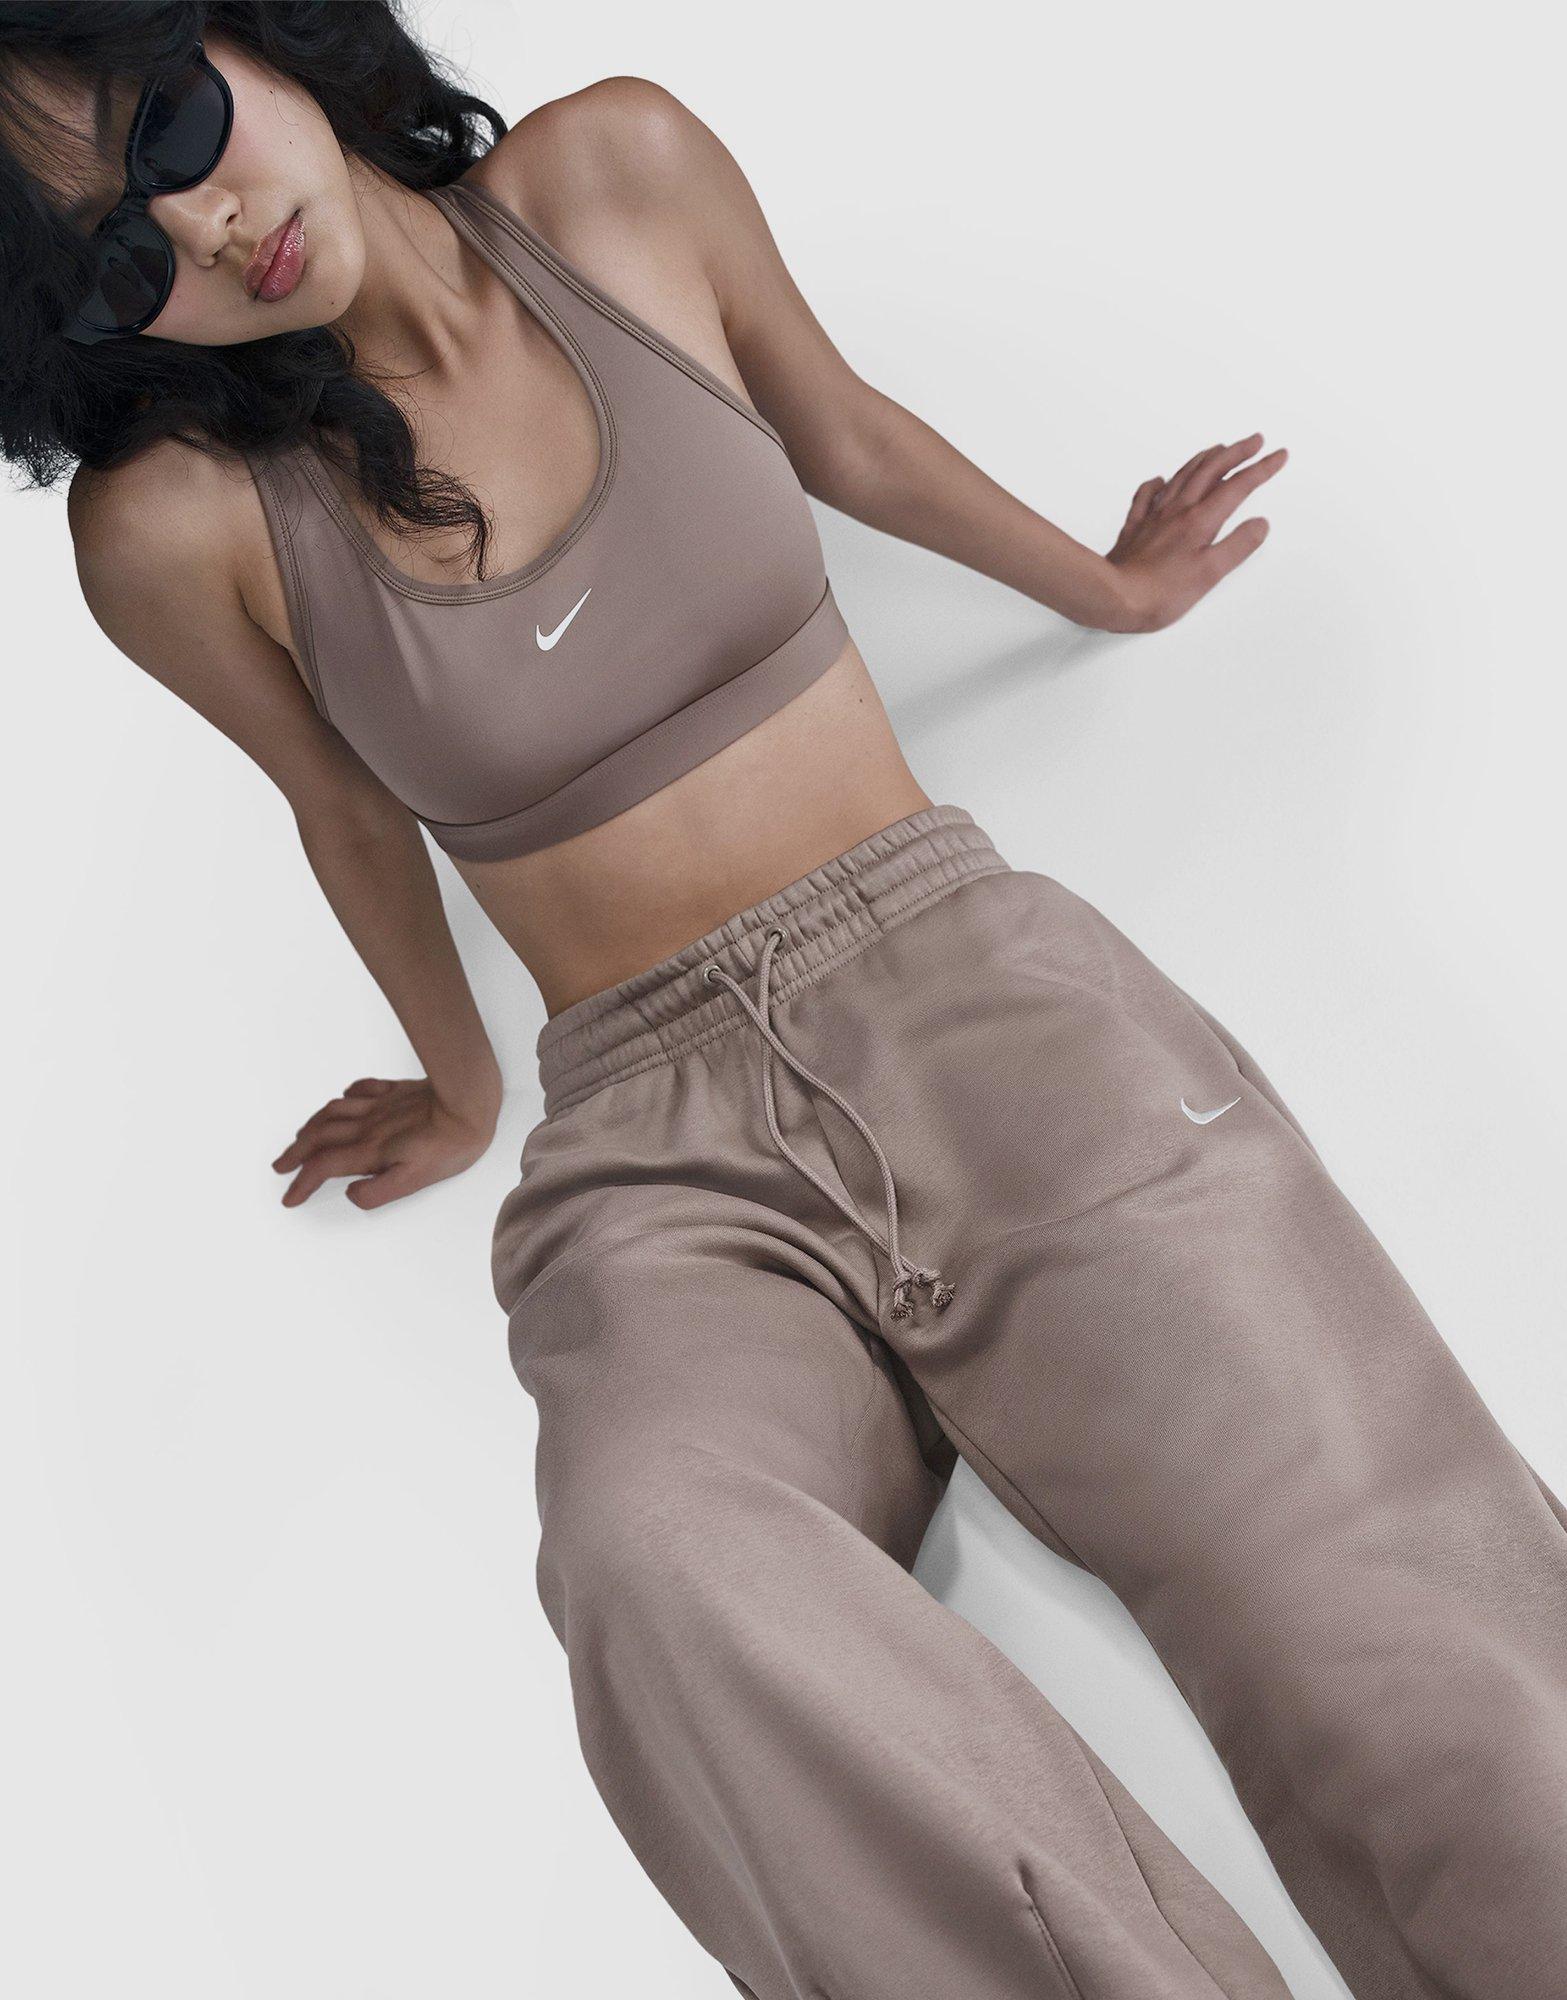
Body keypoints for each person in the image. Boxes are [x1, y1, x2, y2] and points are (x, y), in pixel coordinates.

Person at [3, 8, 1563, 1997]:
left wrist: (1112, 588)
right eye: (115, 260)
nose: (204, 230)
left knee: (1367, 1575)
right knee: (657, 1563)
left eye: (173, 127)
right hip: (654, 1162)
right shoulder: (171, 531)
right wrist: (459, 1086)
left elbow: (846, 435)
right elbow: (346, 809)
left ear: (266, 34)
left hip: (974, 1001)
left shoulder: (615, 176)